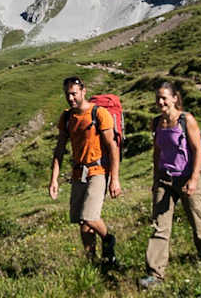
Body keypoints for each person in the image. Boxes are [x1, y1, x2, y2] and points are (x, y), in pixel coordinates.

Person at [139, 81, 201, 289]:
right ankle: (155, 274)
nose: (160, 102)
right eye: (158, 98)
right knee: (159, 226)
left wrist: (193, 179)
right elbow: (157, 152)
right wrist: (156, 179)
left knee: (197, 220)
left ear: (175, 98)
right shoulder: (157, 122)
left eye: (164, 97)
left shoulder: (187, 120)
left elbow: (197, 150)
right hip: (165, 180)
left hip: (186, 178)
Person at [48, 76, 122, 263]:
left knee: (89, 217)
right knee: (82, 222)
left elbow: (113, 148)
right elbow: (59, 149)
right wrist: (54, 179)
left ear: (83, 91)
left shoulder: (99, 114)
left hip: (98, 171)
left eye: (74, 94)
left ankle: (108, 239)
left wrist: (114, 178)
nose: (71, 98)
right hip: (78, 173)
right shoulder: (66, 117)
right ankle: (93, 261)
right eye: (67, 94)